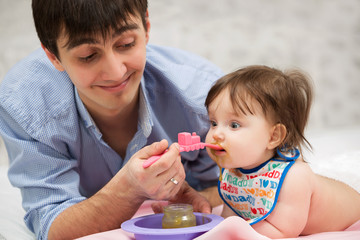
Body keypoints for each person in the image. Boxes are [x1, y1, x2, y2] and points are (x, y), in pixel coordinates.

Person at [0, 0, 223, 239]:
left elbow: (233, 186)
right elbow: (52, 224)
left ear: (146, 26)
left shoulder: (204, 97)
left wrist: (192, 195)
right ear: (53, 56)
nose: (116, 73)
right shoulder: (25, 106)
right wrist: (129, 190)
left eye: (126, 44)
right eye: (88, 56)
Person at [204, 65, 360, 238]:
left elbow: (283, 231)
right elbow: (232, 212)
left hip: (353, 217)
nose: (216, 134)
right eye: (213, 123)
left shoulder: (293, 178)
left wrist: (231, 230)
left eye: (234, 125)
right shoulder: (232, 171)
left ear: (273, 137)